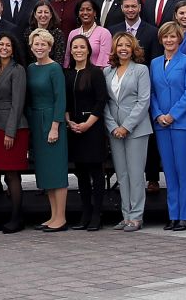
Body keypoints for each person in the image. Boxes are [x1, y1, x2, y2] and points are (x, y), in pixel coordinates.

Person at [150, 21, 186, 231]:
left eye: (173, 37)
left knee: (183, 170)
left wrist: (173, 115)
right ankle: (173, 214)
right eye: (165, 37)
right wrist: (159, 114)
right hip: (161, 124)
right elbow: (151, 92)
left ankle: (185, 216)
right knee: (169, 172)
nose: (169, 40)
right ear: (161, 39)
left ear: (179, 39)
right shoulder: (154, 63)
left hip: (182, 124)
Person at [104, 32, 152, 232]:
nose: (123, 48)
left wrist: (126, 126)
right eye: (120, 45)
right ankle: (125, 215)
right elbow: (105, 102)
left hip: (136, 130)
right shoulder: (107, 72)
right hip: (114, 130)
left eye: (127, 45)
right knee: (122, 175)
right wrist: (114, 127)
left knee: (135, 173)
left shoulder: (141, 70)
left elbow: (143, 101)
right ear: (114, 49)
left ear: (133, 49)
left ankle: (136, 216)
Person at [27, 28, 69, 231]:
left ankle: (61, 217)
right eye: (36, 44)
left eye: (44, 44)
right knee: (45, 172)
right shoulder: (30, 68)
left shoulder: (55, 69)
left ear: (50, 47)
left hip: (51, 122)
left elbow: (60, 99)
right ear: (31, 46)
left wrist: (55, 127)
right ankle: (53, 215)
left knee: (57, 171)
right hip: (36, 121)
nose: (40, 47)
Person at [66, 34, 108, 231]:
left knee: (96, 172)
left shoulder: (95, 73)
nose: (78, 50)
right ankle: (85, 212)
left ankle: (97, 213)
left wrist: (87, 124)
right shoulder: (68, 73)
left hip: (92, 127)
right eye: (75, 47)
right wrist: (69, 121)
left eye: (82, 47)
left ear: (88, 50)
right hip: (73, 127)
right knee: (80, 173)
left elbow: (101, 101)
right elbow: (65, 101)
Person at [0, 33, 28, 233]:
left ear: (13, 49)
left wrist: (10, 132)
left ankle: (17, 217)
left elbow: (18, 103)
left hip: (12, 128)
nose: (4, 47)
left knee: (13, 175)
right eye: (1, 44)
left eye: (8, 45)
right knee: (4, 174)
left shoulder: (18, 70)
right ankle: (7, 215)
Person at [66, 0, 111, 67]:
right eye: (81, 10)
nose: (85, 12)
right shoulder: (73, 33)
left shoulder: (104, 33)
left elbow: (104, 61)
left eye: (89, 9)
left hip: (96, 74)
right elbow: (67, 57)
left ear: (95, 13)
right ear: (78, 13)